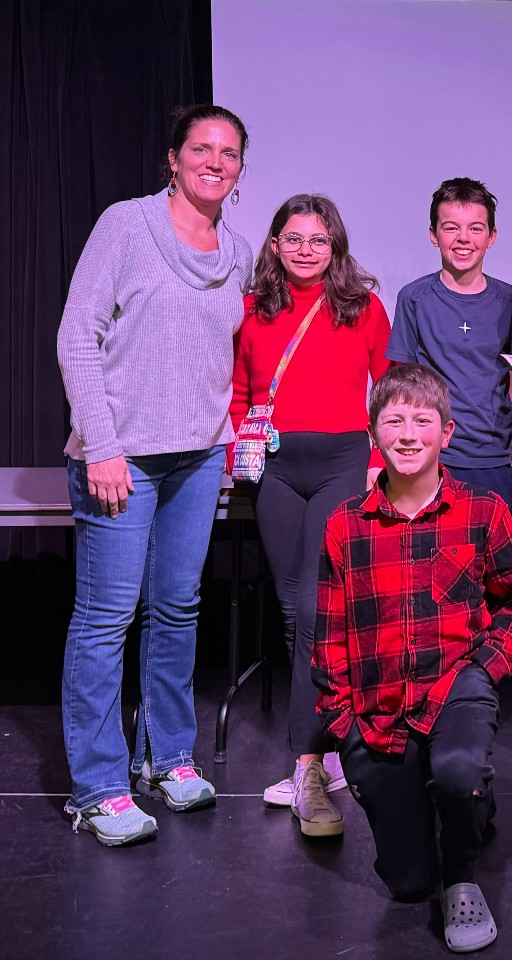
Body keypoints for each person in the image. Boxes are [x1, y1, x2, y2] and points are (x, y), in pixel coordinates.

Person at [56, 104, 254, 845]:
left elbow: (213, 359)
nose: (214, 160)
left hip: (198, 457)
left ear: (240, 170)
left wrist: (225, 440)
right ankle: (100, 786)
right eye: (200, 148)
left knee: (177, 609)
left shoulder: (234, 251)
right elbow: (78, 336)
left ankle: (168, 758)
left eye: (228, 152)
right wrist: (101, 443)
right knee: (107, 618)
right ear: (173, 158)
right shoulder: (126, 226)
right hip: (122, 456)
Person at [313, 364, 512, 954]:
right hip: (379, 703)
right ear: (373, 434)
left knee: (459, 771)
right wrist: (342, 724)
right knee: (409, 884)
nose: (408, 434)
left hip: (454, 684)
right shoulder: (345, 525)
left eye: (422, 421)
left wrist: (484, 668)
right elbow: (330, 633)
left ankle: (464, 866)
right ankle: (454, 816)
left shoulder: (483, 511)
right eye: (393, 421)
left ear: (447, 433)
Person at [230, 194, 391, 835]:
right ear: (274, 245)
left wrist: (379, 457)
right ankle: (327, 748)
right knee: (296, 611)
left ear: (335, 249)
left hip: (340, 465)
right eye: (293, 238)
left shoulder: (363, 309)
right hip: (273, 468)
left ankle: (311, 762)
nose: (305, 250)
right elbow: (242, 391)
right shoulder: (252, 309)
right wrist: (239, 446)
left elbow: (391, 383)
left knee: (318, 610)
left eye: (318, 241)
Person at [387, 178, 512, 506]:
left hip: (491, 459)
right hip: (429, 460)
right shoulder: (414, 299)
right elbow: (399, 384)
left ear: (492, 237)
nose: (463, 238)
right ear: (434, 235)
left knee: (490, 556)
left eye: (476, 228)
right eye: (451, 228)